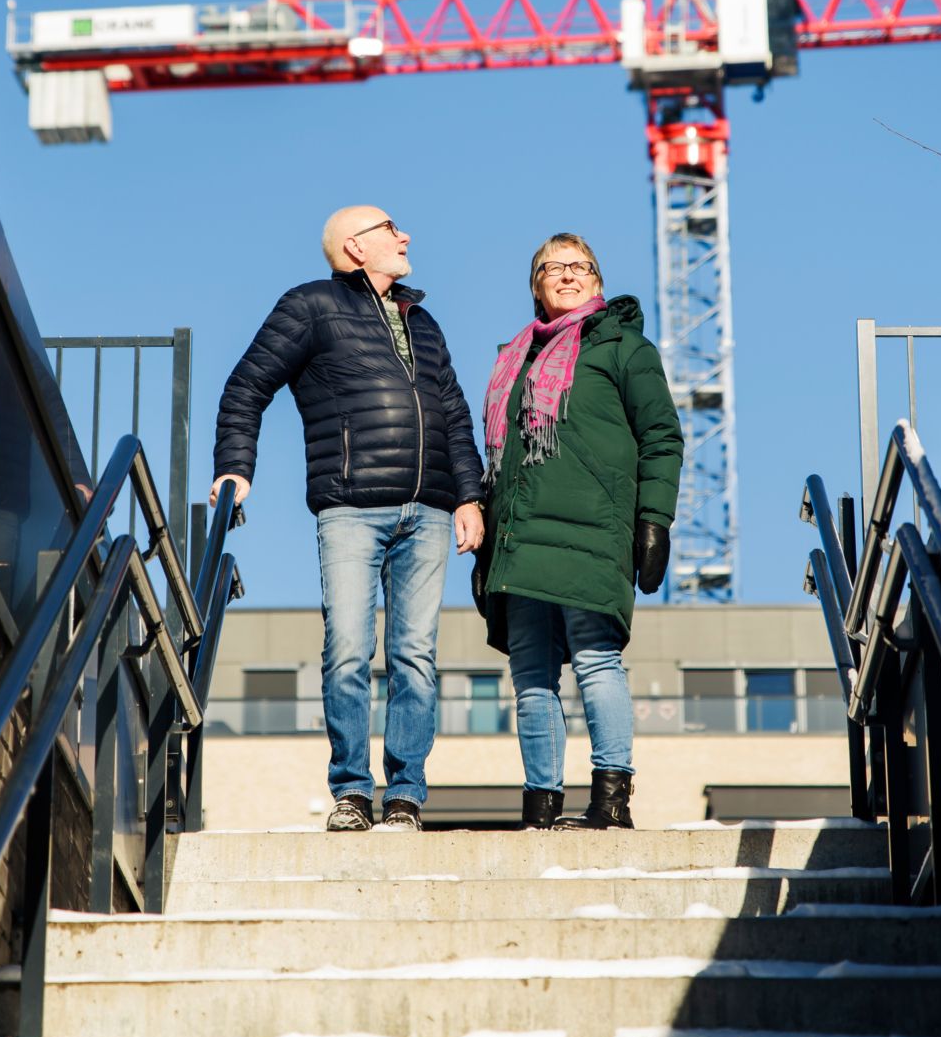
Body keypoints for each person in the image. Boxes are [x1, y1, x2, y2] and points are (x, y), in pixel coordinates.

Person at [212, 206, 485, 831]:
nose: (406, 235)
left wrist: (469, 496)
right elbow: (246, 386)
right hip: (350, 510)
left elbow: (455, 413)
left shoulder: (424, 321)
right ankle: (352, 792)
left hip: (431, 511)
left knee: (415, 655)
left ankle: (406, 794)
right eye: (392, 227)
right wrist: (235, 466)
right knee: (348, 651)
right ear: (355, 246)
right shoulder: (310, 305)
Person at [473, 233, 683, 830]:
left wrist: (654, 522)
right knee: (531, 675)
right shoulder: (514, 359)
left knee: (595, 660)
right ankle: (540, 807)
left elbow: (661, 437)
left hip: (592, 531)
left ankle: (611, 800)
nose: (567, 276)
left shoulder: (623, 347)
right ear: (535, 285)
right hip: (519, 541)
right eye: (552, 268)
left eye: (579, 267)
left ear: (597, 280)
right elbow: (499, 460)